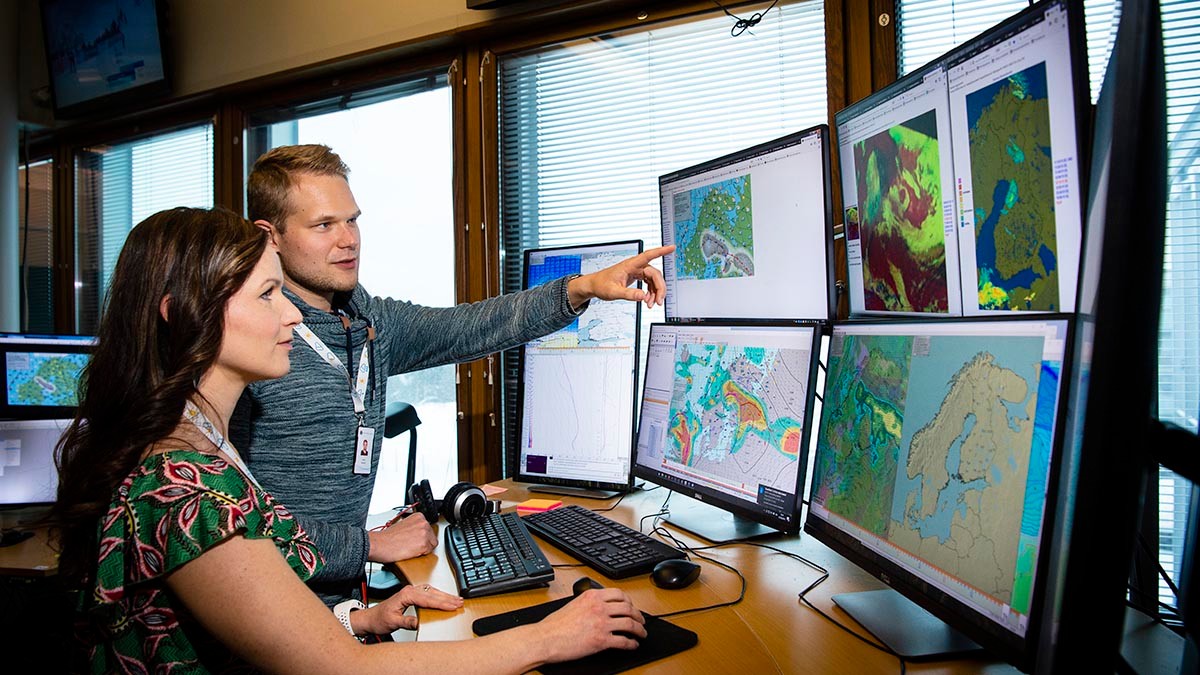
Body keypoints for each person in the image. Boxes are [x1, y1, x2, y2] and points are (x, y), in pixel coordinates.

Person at [49, 207, 647, 673]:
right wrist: (549, 637)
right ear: (182, 317)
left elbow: (234, 622)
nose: (289, 315)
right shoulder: (183, 486)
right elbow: (343, 673)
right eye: (265, 295)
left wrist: (355, 621)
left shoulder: (201, 444)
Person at [232, 144, 674, 606]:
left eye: (353, 220)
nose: (349, 239)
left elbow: (472, 326)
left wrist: (580, 289)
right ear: (271, 236)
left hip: (341, 604)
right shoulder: (253, 342)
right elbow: (228, 519)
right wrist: (369, 545)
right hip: (264, 608)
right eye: (324, 225)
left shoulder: (366, 325)